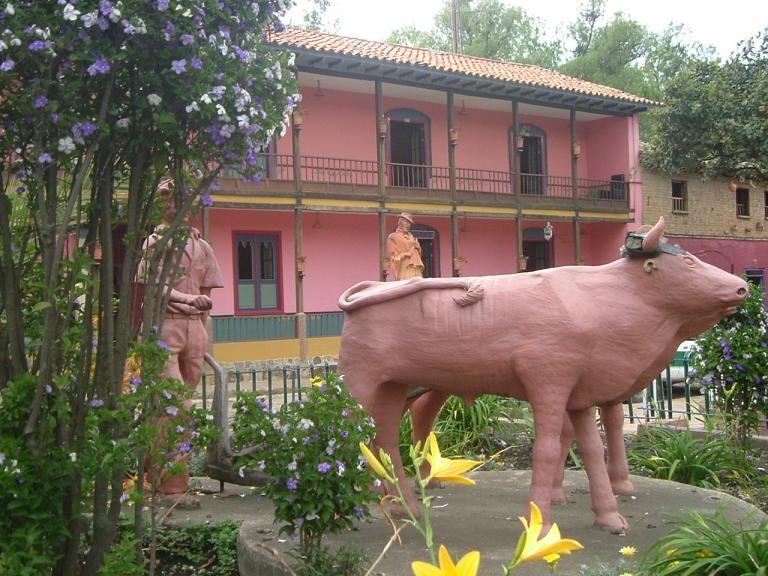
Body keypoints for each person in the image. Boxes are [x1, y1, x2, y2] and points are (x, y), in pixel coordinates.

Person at [135, 179, 224, 506]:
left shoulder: (203, 247)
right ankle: (170, 487)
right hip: (166, 328)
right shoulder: (154, 243)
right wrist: (189, 300)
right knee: (179, 406)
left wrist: (204, 334)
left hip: (194, 332)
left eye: (180, 199)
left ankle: (169, 480)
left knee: (171, 409)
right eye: (168, 201)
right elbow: (154, 288)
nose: (173, 206)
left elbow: (208, 297)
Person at [387, 213, 424, 280]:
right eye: (406, 222)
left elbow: (418, 253)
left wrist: (418, 247)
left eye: (409, 223)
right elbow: (393, 257)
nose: (408, 225)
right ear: (400, 223)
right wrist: (405, 254)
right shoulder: (393, 237)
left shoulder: (411, 236)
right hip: (406, 268)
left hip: (417, 268)